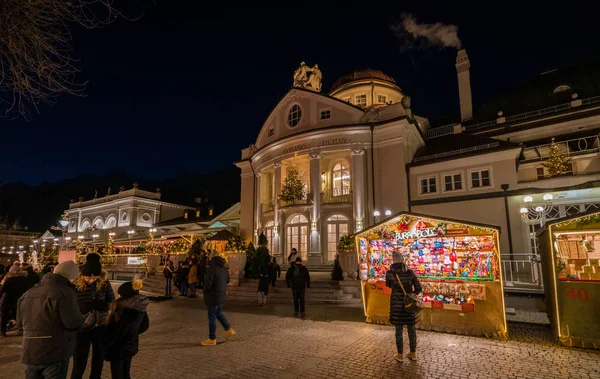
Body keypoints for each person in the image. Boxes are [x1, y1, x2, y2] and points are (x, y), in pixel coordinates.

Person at [17, 261, 84, 379]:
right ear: (70, 276)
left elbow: (20, 323)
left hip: (30, 350)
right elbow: (72, 323)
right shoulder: (65, 292)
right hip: (55, 350)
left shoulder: (29, 293)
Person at [71, 253, 116, 379]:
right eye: (87, 277)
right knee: (80, 359)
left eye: (94, 277)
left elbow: (112, 302)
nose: (90, 280)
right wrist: (82, 308)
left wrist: (104, 306)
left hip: (100, 325)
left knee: (98, 357)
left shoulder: (105, 284)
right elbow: (69, 305)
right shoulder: (75, 285)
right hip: (82, 327)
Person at [104, 280, 149, 379]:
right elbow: (145, 325)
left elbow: (116, 331)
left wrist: (106, 342)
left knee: (117, 375)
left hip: (118, 347)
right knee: (126, 373)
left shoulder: (124, 309)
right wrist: (133, 332)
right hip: (131, 345)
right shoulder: (140, 306)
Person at [385, 253, 422, 362]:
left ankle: (400, 355)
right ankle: (413, 353)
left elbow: (388, 285)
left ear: (393, 261)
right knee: (412, 330)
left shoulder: (389, 274)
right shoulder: (410, 273)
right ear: (402, 260)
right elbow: (419, 288)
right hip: (409, 305)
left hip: (397, 306)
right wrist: (411, 295)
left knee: (398, 331)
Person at [201, 255, 235, 346]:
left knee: (212, 317)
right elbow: (227, 281)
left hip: (213, 296)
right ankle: (228, 329)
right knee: (218, 313)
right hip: (221, 296)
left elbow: (208, 283)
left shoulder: (212, 270)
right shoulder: (225, 270)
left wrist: (204, 290)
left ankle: (212, 338)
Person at [0, 264, 29, 337]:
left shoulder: (9, 280)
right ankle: (20, 329)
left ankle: (3, 331)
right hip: (19, 299)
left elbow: (3, 290)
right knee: (18, 315)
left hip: (8, 299)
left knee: (4, 315)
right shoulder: (24, 279)